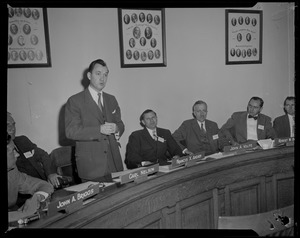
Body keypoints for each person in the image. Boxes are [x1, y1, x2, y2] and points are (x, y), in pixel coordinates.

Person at [65, 59, 124, 182]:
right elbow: (71, 131)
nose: (102, 78)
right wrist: (99, 130)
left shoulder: (111, 99)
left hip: (114, 162)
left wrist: (117, 128)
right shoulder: (75, 101)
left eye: (105, 74)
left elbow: (120, 123)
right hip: (91, 166)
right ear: (89, 75)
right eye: (98, 73)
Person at [7, 133, 54, 222]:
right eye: (13, 151)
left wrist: (38, 196)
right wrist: (24, 213)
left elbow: (44, 185)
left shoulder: (12, 171)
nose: (17, 154)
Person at [7, 112, 61, 189]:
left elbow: (43, 155)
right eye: (7, 125)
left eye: (13, 124)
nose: (12, 128)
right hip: (20, 195)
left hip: (42, 186)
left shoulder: (22, 141)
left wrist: (51, 173)